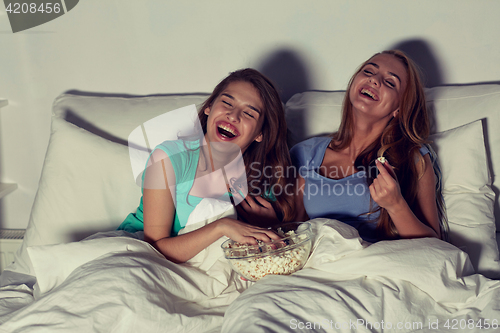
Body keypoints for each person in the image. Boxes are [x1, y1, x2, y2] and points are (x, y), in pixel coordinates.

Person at [118, 68, 295, 263]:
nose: (233, 116)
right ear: (209, 107)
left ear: (260, 134)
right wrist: (222, 226)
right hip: (143, 255)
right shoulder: (168, 159)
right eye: (227, 102)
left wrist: (270, 225)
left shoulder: (261, 177)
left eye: (249, 114)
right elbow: (155, 249)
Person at [291, 50, 448, 243]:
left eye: (390, 82)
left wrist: (396, 205)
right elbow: (293, 229)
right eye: (368, 71)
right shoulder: (305, 153)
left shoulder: (413, 158)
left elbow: (434, 245)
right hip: (320, 265)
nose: (374, 80)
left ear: (399, 109)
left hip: (375, 267)